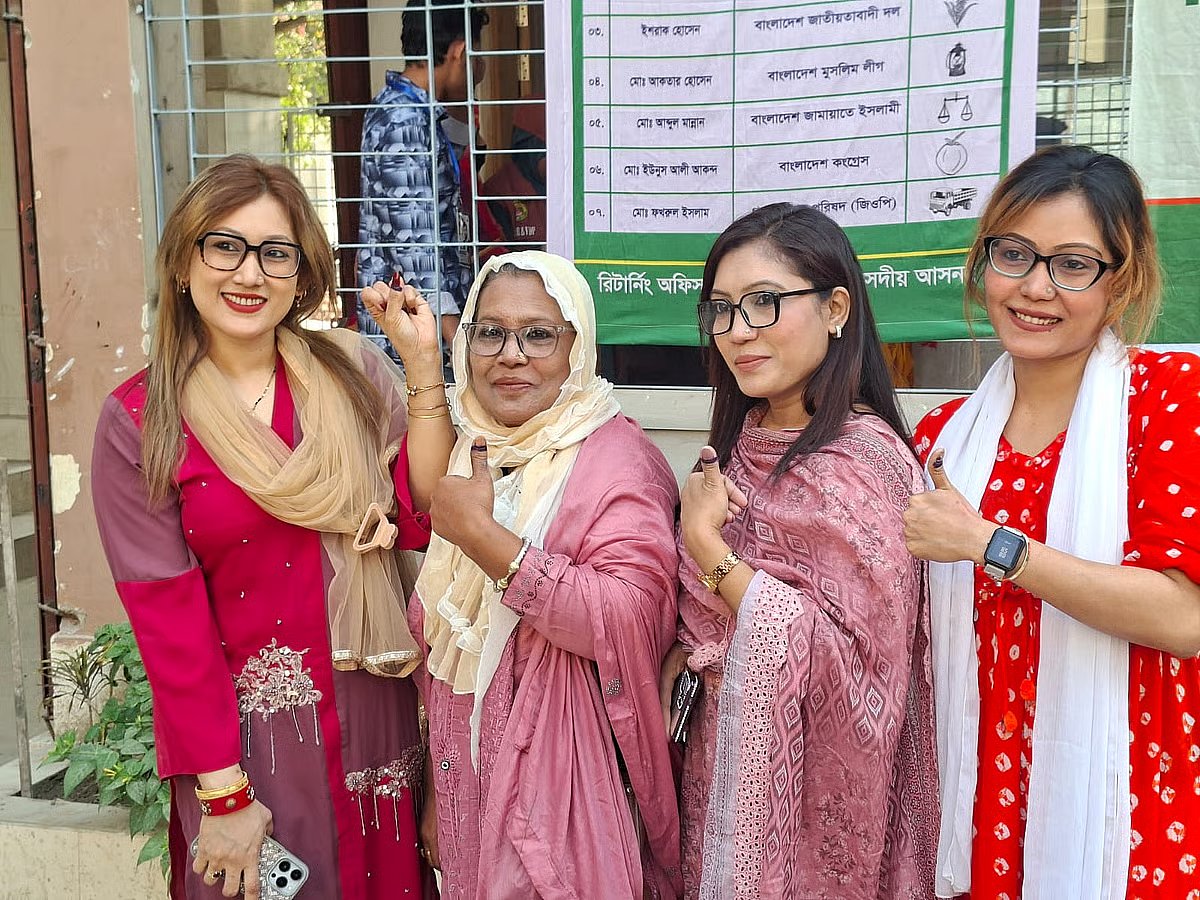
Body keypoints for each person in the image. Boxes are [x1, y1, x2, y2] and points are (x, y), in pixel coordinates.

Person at [91, 154, 453, 899]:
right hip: (248, 751)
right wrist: (223, 795)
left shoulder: (353, 374)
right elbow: (167, 622)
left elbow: (427, 513)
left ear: (301, 273)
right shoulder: (141, 421)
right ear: (183, 263)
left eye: (274, 253)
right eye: (224, 246)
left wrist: (421, 368)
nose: (249, 273)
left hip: (375, 725)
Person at [904, 145, 1200, 899]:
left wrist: (991, 545)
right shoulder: (944, 437)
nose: (1035, 287)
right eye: (1014, 255)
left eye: (1073, 265)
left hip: (1129, 793)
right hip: (978, 794)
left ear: (1120, 281)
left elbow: (1182, 617)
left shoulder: (1168, 399)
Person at [379, 250, 682, 898]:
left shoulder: (618, 461)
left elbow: (631, 616)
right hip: (466, 788)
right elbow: (450, 659)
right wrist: (437, 791)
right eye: (490, 332)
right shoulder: (477, 450)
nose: (510, 355)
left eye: (538, 334)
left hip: (562, 800)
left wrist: (492, 545)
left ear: (578, 346)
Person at [673, 203, 939, 898]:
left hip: (812, 822)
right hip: (723, 776)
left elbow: (858, 679)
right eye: (721, 310)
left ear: (835, 308)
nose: (738, 331)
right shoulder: (737, 449)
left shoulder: (866, 466)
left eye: (764, 303)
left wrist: (705, 546)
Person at [356, 0, 489, 360]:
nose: (481, 69)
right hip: (413, 334)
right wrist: (458, 342)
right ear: (460, 51)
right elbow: (414, 240)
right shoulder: (403, 119)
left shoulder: (412, 110)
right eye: (479, 57)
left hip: (419, 321)